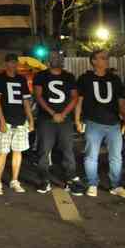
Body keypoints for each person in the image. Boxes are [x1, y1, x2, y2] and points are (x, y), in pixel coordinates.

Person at [76, 50, 125, 198]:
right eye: (102, 58)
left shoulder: (114, 79)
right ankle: (92, 184)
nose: (106, 60)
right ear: (94, 61)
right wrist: (77, 119)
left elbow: (121, 102)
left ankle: (116, 185)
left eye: (107, 58)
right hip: (93, 122)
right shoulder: (85, 78)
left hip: (113, 123)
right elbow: (79, 100)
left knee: (116, 157)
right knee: (91, 156)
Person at [33, 51, 86, 196]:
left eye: (58, 57)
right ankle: (44, 180)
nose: (55, 59)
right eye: (52, 57)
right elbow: (38, 96)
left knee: (68, 150)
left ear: (62, 60)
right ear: (48, 60)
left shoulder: (68, 76)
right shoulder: (41, 76)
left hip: (64, 119)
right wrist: (52, 113)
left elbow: (74, 97)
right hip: (46, 119)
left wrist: (62, 114)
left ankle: (70, 180)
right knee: (44, 150)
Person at [0, 53, 35, 195]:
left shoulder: (21, 80)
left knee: (18, 151)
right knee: (2, 152)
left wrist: (30, 119)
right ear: (6, 64)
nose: (13, 65)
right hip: (6, 121)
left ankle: (14, 180)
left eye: (15, 62)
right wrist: (2, 120)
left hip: (20, 121)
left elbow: (26, 101)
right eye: (10, 62)